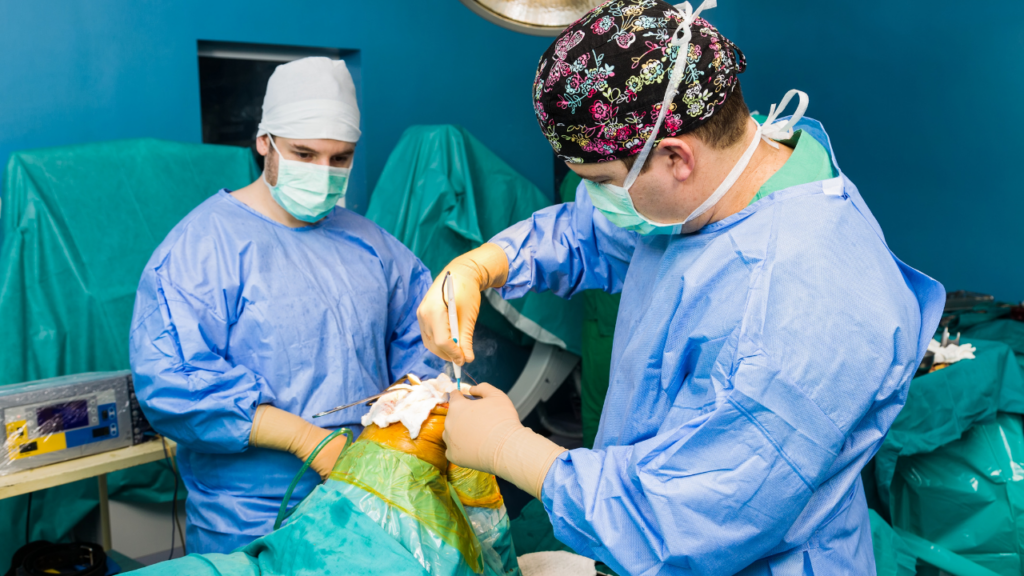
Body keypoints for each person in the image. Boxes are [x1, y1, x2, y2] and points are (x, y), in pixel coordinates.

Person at [417, 1, 945, 574]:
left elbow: (682, 524)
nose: (591, 199)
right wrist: (484, 264)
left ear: (675, 157)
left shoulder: (794, 308)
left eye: (600, 183)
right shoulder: (736, 180)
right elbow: (594, 232)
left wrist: (509, 449)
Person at [130, 57, 441, 554]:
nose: (323, 172)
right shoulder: (202, 248)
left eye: (340, 158)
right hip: (248, 517)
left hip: (365, 498)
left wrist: (406, 412)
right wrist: (306, 440)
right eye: (304, 154)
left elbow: (422, 338)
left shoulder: (372, 244)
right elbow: (175, 385)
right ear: (264, 143)